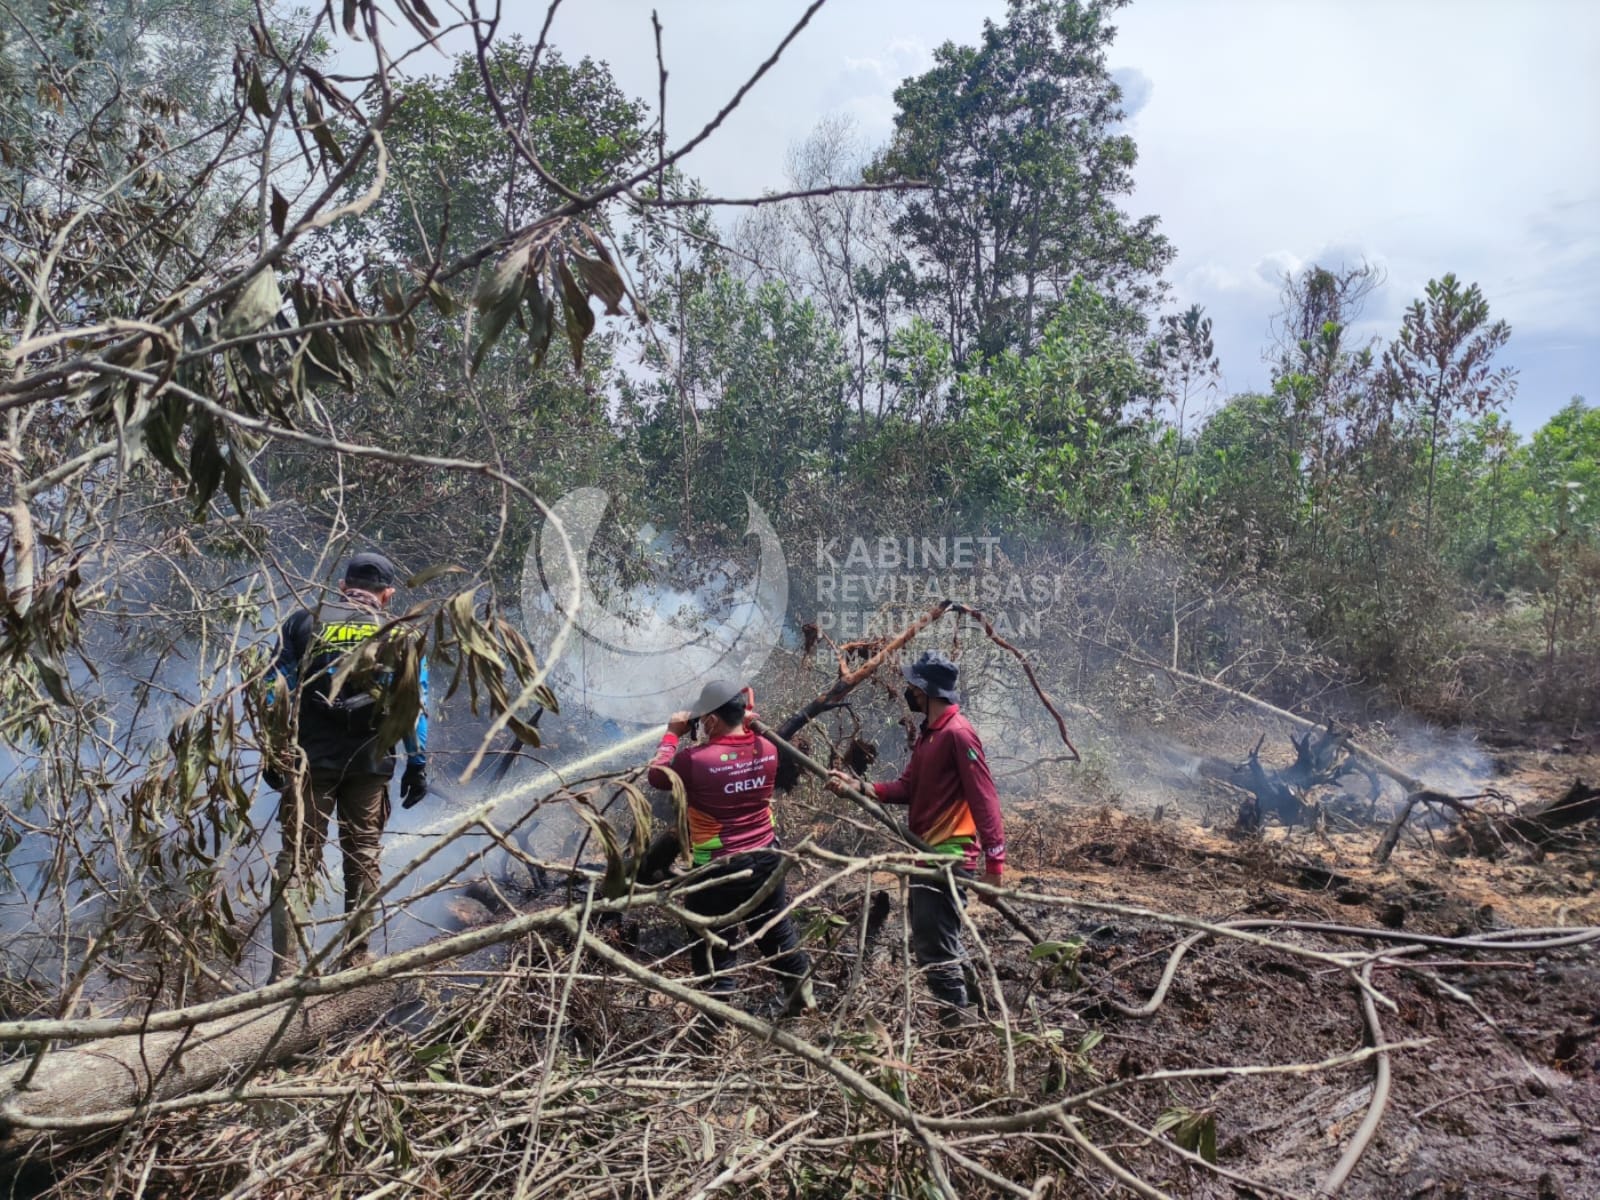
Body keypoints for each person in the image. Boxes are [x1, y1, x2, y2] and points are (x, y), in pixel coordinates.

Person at [264, 551, 429, 979]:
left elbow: (273, 687)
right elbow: (412, 704)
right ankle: (355, 958)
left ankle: (284, 970)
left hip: (309, 758)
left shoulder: (303, 621)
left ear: (342, 586)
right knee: (364, 855)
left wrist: (272, 747)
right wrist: (417, 761)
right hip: (370, 762)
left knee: (297, 858)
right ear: (387, 594)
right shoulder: (401, 632)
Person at [828, 650, 1004, 1022]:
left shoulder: (958, 734)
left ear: (925, 690)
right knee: (939, 941)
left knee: (934, 950)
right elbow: (908, 787)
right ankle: (975, 1015)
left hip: (947, 858)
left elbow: (985, 797)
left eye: (912, 684)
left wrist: (995, 865)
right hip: (925, 855)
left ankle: (957, 1037)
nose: (907, 690)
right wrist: (859, 786)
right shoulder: (930, 735)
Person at [647, 680, 814, 1016]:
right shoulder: (767, 749)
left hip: (716, 869)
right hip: (768, 859)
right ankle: (804, 1002)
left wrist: (672, 734)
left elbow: (656, 776)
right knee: (777, 933)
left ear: (710, 721)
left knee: (713, 944)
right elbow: (745, 736)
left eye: (704, 720)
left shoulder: (695, 760)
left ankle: (713, 1026)